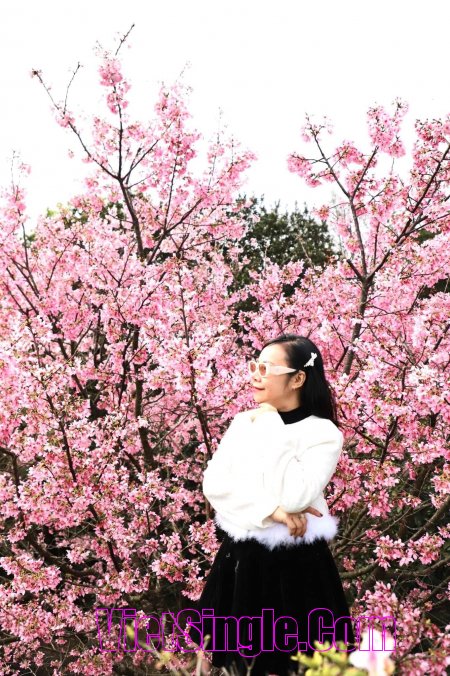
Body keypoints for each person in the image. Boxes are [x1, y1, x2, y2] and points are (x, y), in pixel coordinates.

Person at [187, 334, 356, 676]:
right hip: (243, 558)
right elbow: (215, 485)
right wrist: (273, 512)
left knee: (290, 664)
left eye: (266, 368)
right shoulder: (245, 423)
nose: (255, 375)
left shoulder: (323, 434)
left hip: (296, 567)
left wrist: (270, 425)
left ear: (297, 378)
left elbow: (296, 495)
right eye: (254, 366)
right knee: (235, 664)